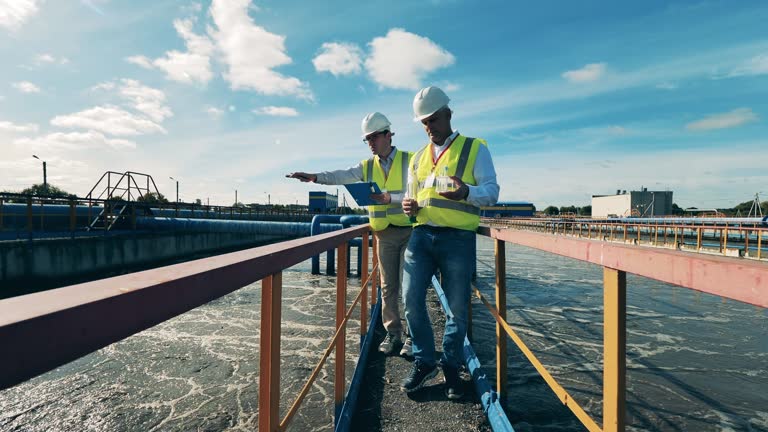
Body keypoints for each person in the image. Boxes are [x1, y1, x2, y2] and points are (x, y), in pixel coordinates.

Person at [287, 112, 415, 356]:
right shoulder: (366, 166)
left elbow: (417, 192)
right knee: (388, 287)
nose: (370, 143)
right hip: (383, 234)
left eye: (373, 137)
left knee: (410, 288)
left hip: (409, 231)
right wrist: (315, 177)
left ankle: (412, 337)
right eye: (366, 139)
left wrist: (391, 198)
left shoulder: (411, 160)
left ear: (388, 135)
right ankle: (393, 333)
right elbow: (341, 175)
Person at [400, 86, 499, 399]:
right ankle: (425, 360)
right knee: (410, 299)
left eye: (433, 119)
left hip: (457, 239)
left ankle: (451, 366)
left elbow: (492, 192)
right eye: (424, 122)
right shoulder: (417, 158)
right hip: (421, 235)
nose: (429, 127)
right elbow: (410, 194)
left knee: (457, 310)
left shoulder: (474, 148)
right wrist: (408, 204)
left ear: (448, 114)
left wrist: (466, 192)